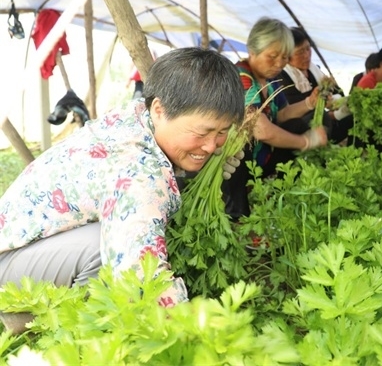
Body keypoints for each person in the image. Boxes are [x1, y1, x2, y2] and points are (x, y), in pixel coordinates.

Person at [0, 48, 246, 334]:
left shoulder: (136, 118)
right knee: (103, 251)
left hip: (29, 247)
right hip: (9, 264)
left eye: (222, 132)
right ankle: (40, 322)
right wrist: (196, 331)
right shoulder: (137, 169)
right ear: (159, 110)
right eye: (202, 133)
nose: (212, 145)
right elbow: (139, 275)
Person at [222, 17, 328, 221]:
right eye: (272, 56)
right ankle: (237, 214)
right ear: (252, 51)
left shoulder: (271, 81)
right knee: (238, 146)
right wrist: (306, 141)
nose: (279, 64)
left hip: (260, 158)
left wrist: (309, 103)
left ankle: (277, 194)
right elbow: (260, 129)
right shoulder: (241, 77)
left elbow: (282, 114)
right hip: (233, 163)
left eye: (285, 57)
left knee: (298, 124)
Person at [278, 27, 352, 144]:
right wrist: (323, 103)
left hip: (325, 122)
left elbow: (338, 92)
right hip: (301, 130)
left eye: (308, 49)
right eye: (300, 52)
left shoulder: (315, 69)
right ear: (287, 56)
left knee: (353, 115)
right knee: (322, 117)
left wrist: (335, 101)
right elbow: (292, 105)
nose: (307, 55)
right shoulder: (281, 76)